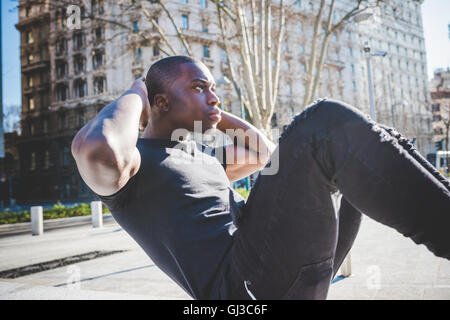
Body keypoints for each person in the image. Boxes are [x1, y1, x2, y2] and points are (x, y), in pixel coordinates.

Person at [72, 56, 450, 300]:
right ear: (161, 102)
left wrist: (213, 112)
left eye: (214, 89)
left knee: (368, 141)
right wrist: (137, 91)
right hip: (243, 291)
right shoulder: (134, 168)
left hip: (285, 272)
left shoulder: (205, 159)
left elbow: (263, 155)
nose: (214, 96)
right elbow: (97, 146)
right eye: (199, 88)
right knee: (321, 123)